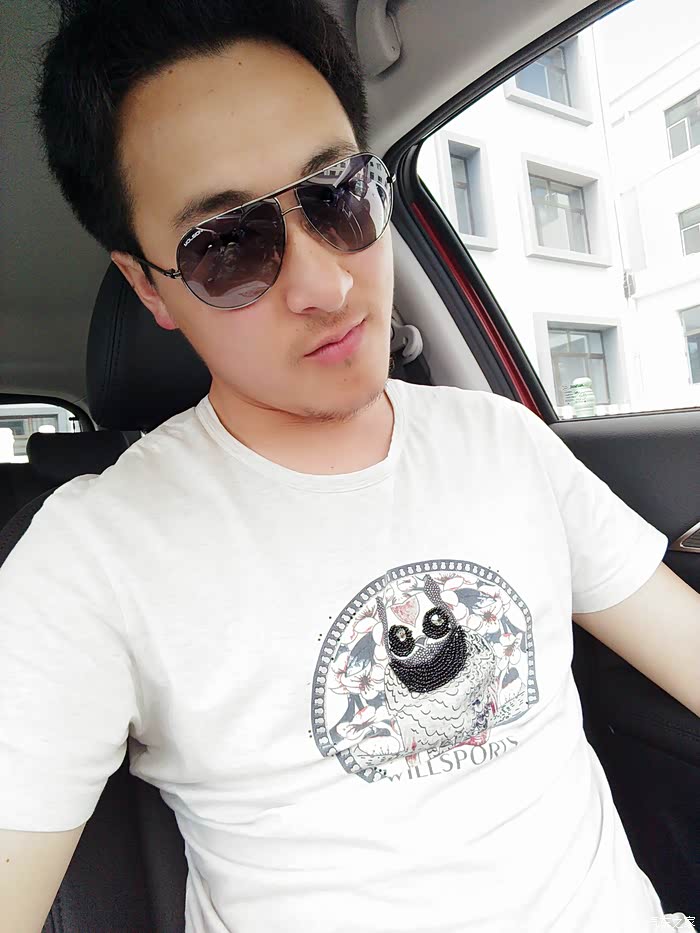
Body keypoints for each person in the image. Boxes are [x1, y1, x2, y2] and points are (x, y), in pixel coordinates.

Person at [0, 1, 698, 931]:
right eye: (227, 246)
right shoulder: (90, 558)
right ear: (148, 289)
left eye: (338, 193)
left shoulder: (506, 443)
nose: (326, 284)